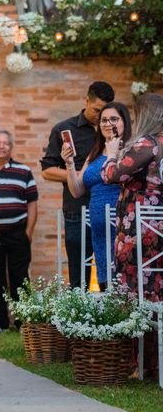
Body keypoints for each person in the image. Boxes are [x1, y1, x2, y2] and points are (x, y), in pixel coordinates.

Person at [101, 93, 163, 377]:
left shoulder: (147, 143)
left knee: (133, 290)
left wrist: (112, 153)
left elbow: (112, 176)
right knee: (155, 293)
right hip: (158, 227)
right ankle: (154, 362)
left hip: (137, 229)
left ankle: (136, 363)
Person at [41, 82, 114, 289]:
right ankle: (78, 320)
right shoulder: (64, 129)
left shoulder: (112, 131)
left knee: (110, 273)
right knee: (78, 276)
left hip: (108, 210)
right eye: (96, 110)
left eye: (105, 112)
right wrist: (80, 178)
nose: (100, 117)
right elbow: (47, 170)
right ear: (86, 101)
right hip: (77, 209)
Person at [61, 102, 132, 291]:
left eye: (114, 119)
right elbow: (77, 191)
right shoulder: (94, 152)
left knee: (122, 285)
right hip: (99, 230)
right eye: (104, 120)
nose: (108, 124)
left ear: (125, 122)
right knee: (105, 284)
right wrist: (69, 164)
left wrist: (114, 154)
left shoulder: (132, 150)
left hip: (121, 227)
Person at [0, 130, 38, 334]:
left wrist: (28, 232)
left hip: (18, 233)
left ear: (11, 147)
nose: (2, 146)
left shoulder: (23, 171)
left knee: (20, 278)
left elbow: (32, 203)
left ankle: (24, 321)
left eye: (6, 143)